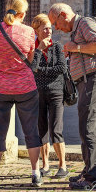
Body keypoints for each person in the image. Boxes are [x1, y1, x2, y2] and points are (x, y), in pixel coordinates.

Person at [48, 3, 96, 189]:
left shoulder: (84, 23)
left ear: (64, 15)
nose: (56, 28)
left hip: (94, 79)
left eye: (56, 23)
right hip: (85, 81)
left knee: (89, 128)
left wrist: (76, 48)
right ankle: (88, 170)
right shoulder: (77, 29)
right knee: (85, 128)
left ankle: (94, 177)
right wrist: (74, 49)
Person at [0, 0, 42, 189]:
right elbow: (31, 59)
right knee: (31, 131)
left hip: (0, 87)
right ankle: (35, 174)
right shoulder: (29, 31)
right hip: (26, 87)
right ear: (22, 13)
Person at [31, 13, 68, 177]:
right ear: (37, 30)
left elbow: (61, 68)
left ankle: (63, 165)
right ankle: (45, 165)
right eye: (45, 28)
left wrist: (42, 70)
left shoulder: (57, 47)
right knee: (42, 130)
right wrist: (39, 50)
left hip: (56, 92)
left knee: (56, 129)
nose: (49, 31)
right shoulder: (34, 48)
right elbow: (32, 68)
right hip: (38, 93)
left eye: (50, 28)